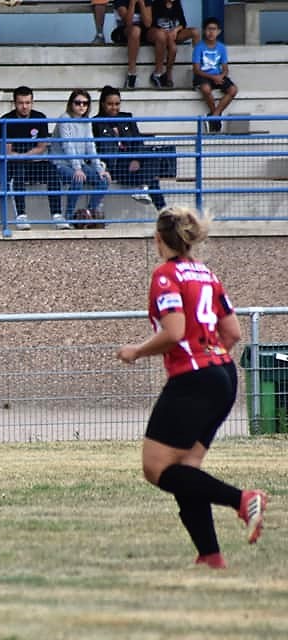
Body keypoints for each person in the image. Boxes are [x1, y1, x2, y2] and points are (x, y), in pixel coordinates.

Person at [116, 207, 267, 569]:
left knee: (157, 469)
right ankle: (210, 556)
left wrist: (136, 351)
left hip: (194, 377)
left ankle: (242, 499)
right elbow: (232, 334)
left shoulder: (166, 276)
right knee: (186, 468)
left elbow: (174, 332)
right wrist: (210, 362)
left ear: (157, 239)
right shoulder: (206, 273)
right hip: (223, 374)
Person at [0, 86, 63, 231]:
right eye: (21, 103)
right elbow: (6, 151)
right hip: (12, 164)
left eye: (28, 102)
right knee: (19, 170)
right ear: (15, 103)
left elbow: (42, 147)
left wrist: (26, 156)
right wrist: (22, 157)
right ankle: (21, 216)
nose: (24, 106)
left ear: (32, 102)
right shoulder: (6, 120)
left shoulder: (40, 118)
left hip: (33, 162)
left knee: (52, 170)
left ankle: (58, 216)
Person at [92, 85, 167, 211]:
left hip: (133, 166)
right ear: (102, 104)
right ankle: (164, 211)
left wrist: (136, 159)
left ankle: (146, 190)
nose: (114, 107)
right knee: (152, 180)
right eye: (110, 104)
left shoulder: (127, 117)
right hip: (114, 168)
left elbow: (138, 142)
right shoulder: (95, 122)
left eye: (117, 104)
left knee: (154, 158)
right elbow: (95, 149)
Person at [51, 89, 111, 229]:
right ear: (71, 104)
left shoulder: (87, 121)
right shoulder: (64, 119)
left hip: (79, 162)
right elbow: (68, 145)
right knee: (77, 178)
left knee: (103, 180)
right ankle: (68, 217)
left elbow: (90, 145)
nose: (81, 106)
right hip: (62, 162)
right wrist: (77, 168)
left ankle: (89, 214)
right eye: (78, 103)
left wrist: (99, 168)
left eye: (85, 103)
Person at [192, 17, 237, 135]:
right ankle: (215, 117)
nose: (211, 32)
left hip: (218, 75)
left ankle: (214, 115)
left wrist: (221, 76)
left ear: (219, 31)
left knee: (233, 90)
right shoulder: (199, 47)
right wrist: (213, 78)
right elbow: (196, 70)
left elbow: (225, 68)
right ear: (204, 31)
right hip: (203, 75)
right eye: (208, 29)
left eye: (214, 29)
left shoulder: (221, 47)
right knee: (206, 89)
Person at [147, 0, 198, 88]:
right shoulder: (156, 4)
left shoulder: (177, 4)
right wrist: (168, 35)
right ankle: (164, 73)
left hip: (173, 34)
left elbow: (183, 23)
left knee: (195, 32)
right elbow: (152, 24)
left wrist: (176, 30)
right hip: (160, 33)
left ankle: (198, 69)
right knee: (173, 48)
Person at [111, 0, 152, 89]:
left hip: (143, 31)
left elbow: (148, 23)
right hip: (123, 31)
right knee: (135, 31)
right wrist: (132, 3)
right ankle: (131, 73)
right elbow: (127, 22)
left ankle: (159, 74)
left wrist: (141, 3)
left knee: (159, 35)